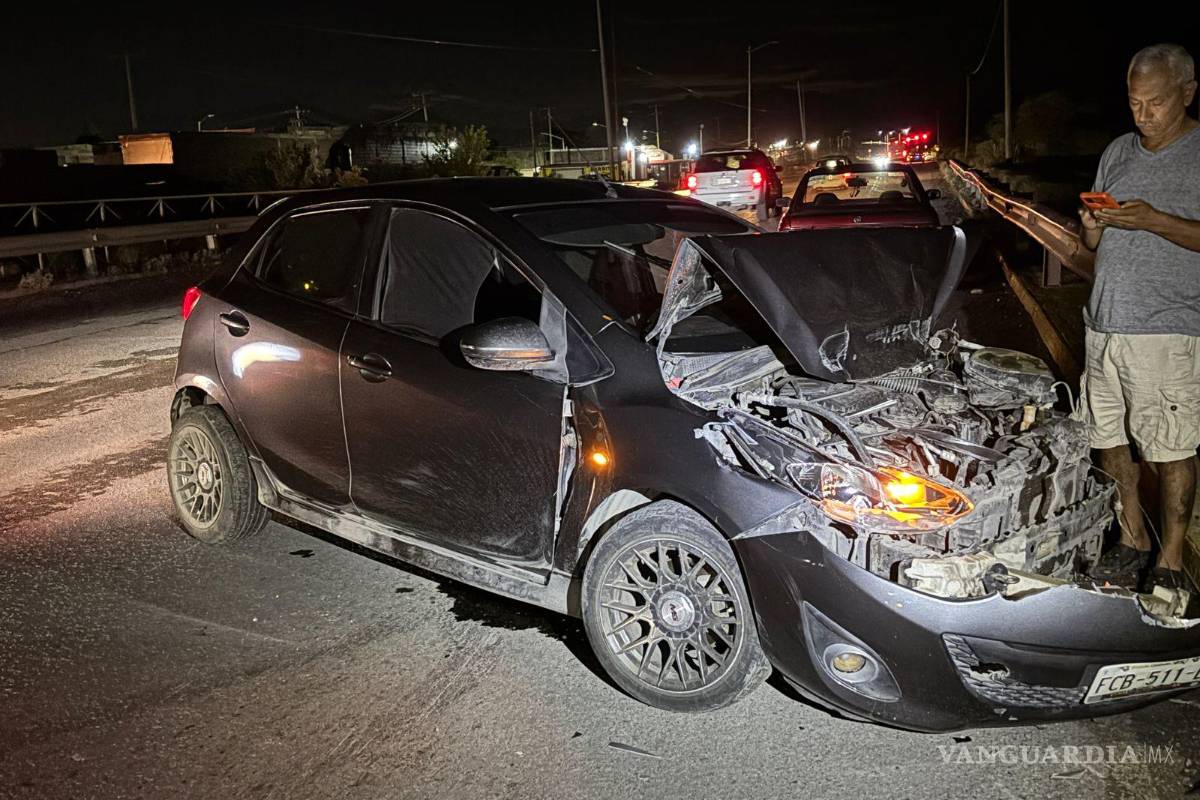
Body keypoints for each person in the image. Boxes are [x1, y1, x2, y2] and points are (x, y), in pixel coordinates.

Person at [1080, 44, 1200, 593]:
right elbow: (1092, 240)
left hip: (1167, 328)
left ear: (1188, 93)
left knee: (1171, 445)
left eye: (1156, 102)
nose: (1144, 115)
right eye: (1134, 103)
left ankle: (1172, 561)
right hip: (1104, 323)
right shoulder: (1118, 152)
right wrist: (1093, 224)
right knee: (1109, 437)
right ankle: (1133, 539)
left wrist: (1153, 220)